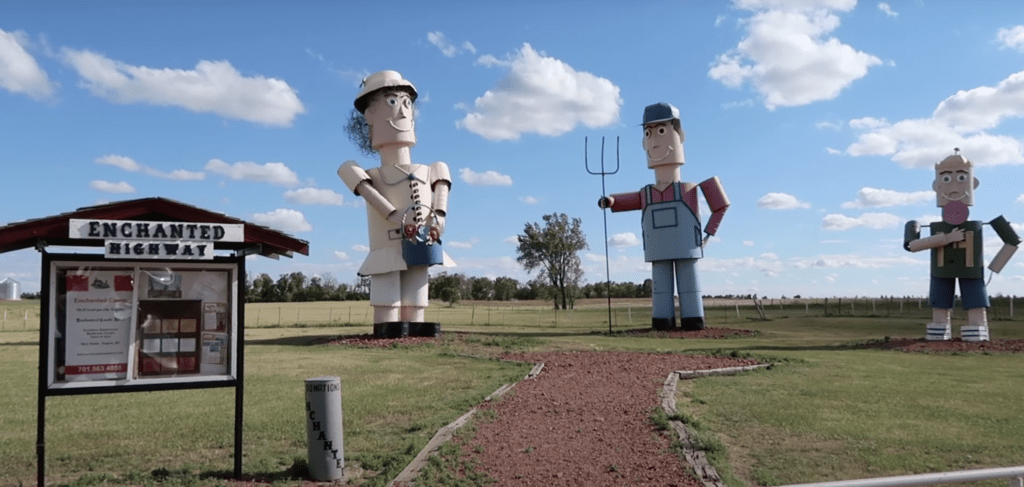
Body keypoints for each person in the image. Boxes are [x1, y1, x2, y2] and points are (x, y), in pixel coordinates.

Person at [338, 70, 454, 337]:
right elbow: (374, 198)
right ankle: (386, 327)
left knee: (416, 289)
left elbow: (440, 199)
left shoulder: (434, 168)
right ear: (369, 115)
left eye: (407, 103)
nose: (402, 112)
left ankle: (415, 326)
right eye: (392, 102)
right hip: (386, 245)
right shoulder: (360, 172)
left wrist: (439, 218)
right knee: (387, 288)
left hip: (423, 240)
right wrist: (393, 213)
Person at [599, 102, 729, 331]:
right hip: (658, 248)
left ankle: (693, 319)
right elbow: (624, 201)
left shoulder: (688, 189)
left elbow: (720, 204)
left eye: (661, 131)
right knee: (661, 288)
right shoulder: (647, 193)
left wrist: (708, 234)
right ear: (643, 143)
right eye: (649, 133)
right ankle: (662, 321)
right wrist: (610, 201)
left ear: (680, 136)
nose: (655, 140)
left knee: (689, 286)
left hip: (686, 246)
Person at [904, 150, 1019, 341]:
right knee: (940, 302)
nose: (955, 187)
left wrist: (995, 266)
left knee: (975, 302)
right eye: (947, 179)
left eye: (961, 177)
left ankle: (977, 331)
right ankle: (940, 332)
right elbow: (912, 246)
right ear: (937, 186)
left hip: (971, 270)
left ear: (972, 183)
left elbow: (1013, 241)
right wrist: (947, 238)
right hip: (941, 270)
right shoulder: (928, 226)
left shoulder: (978, 225)